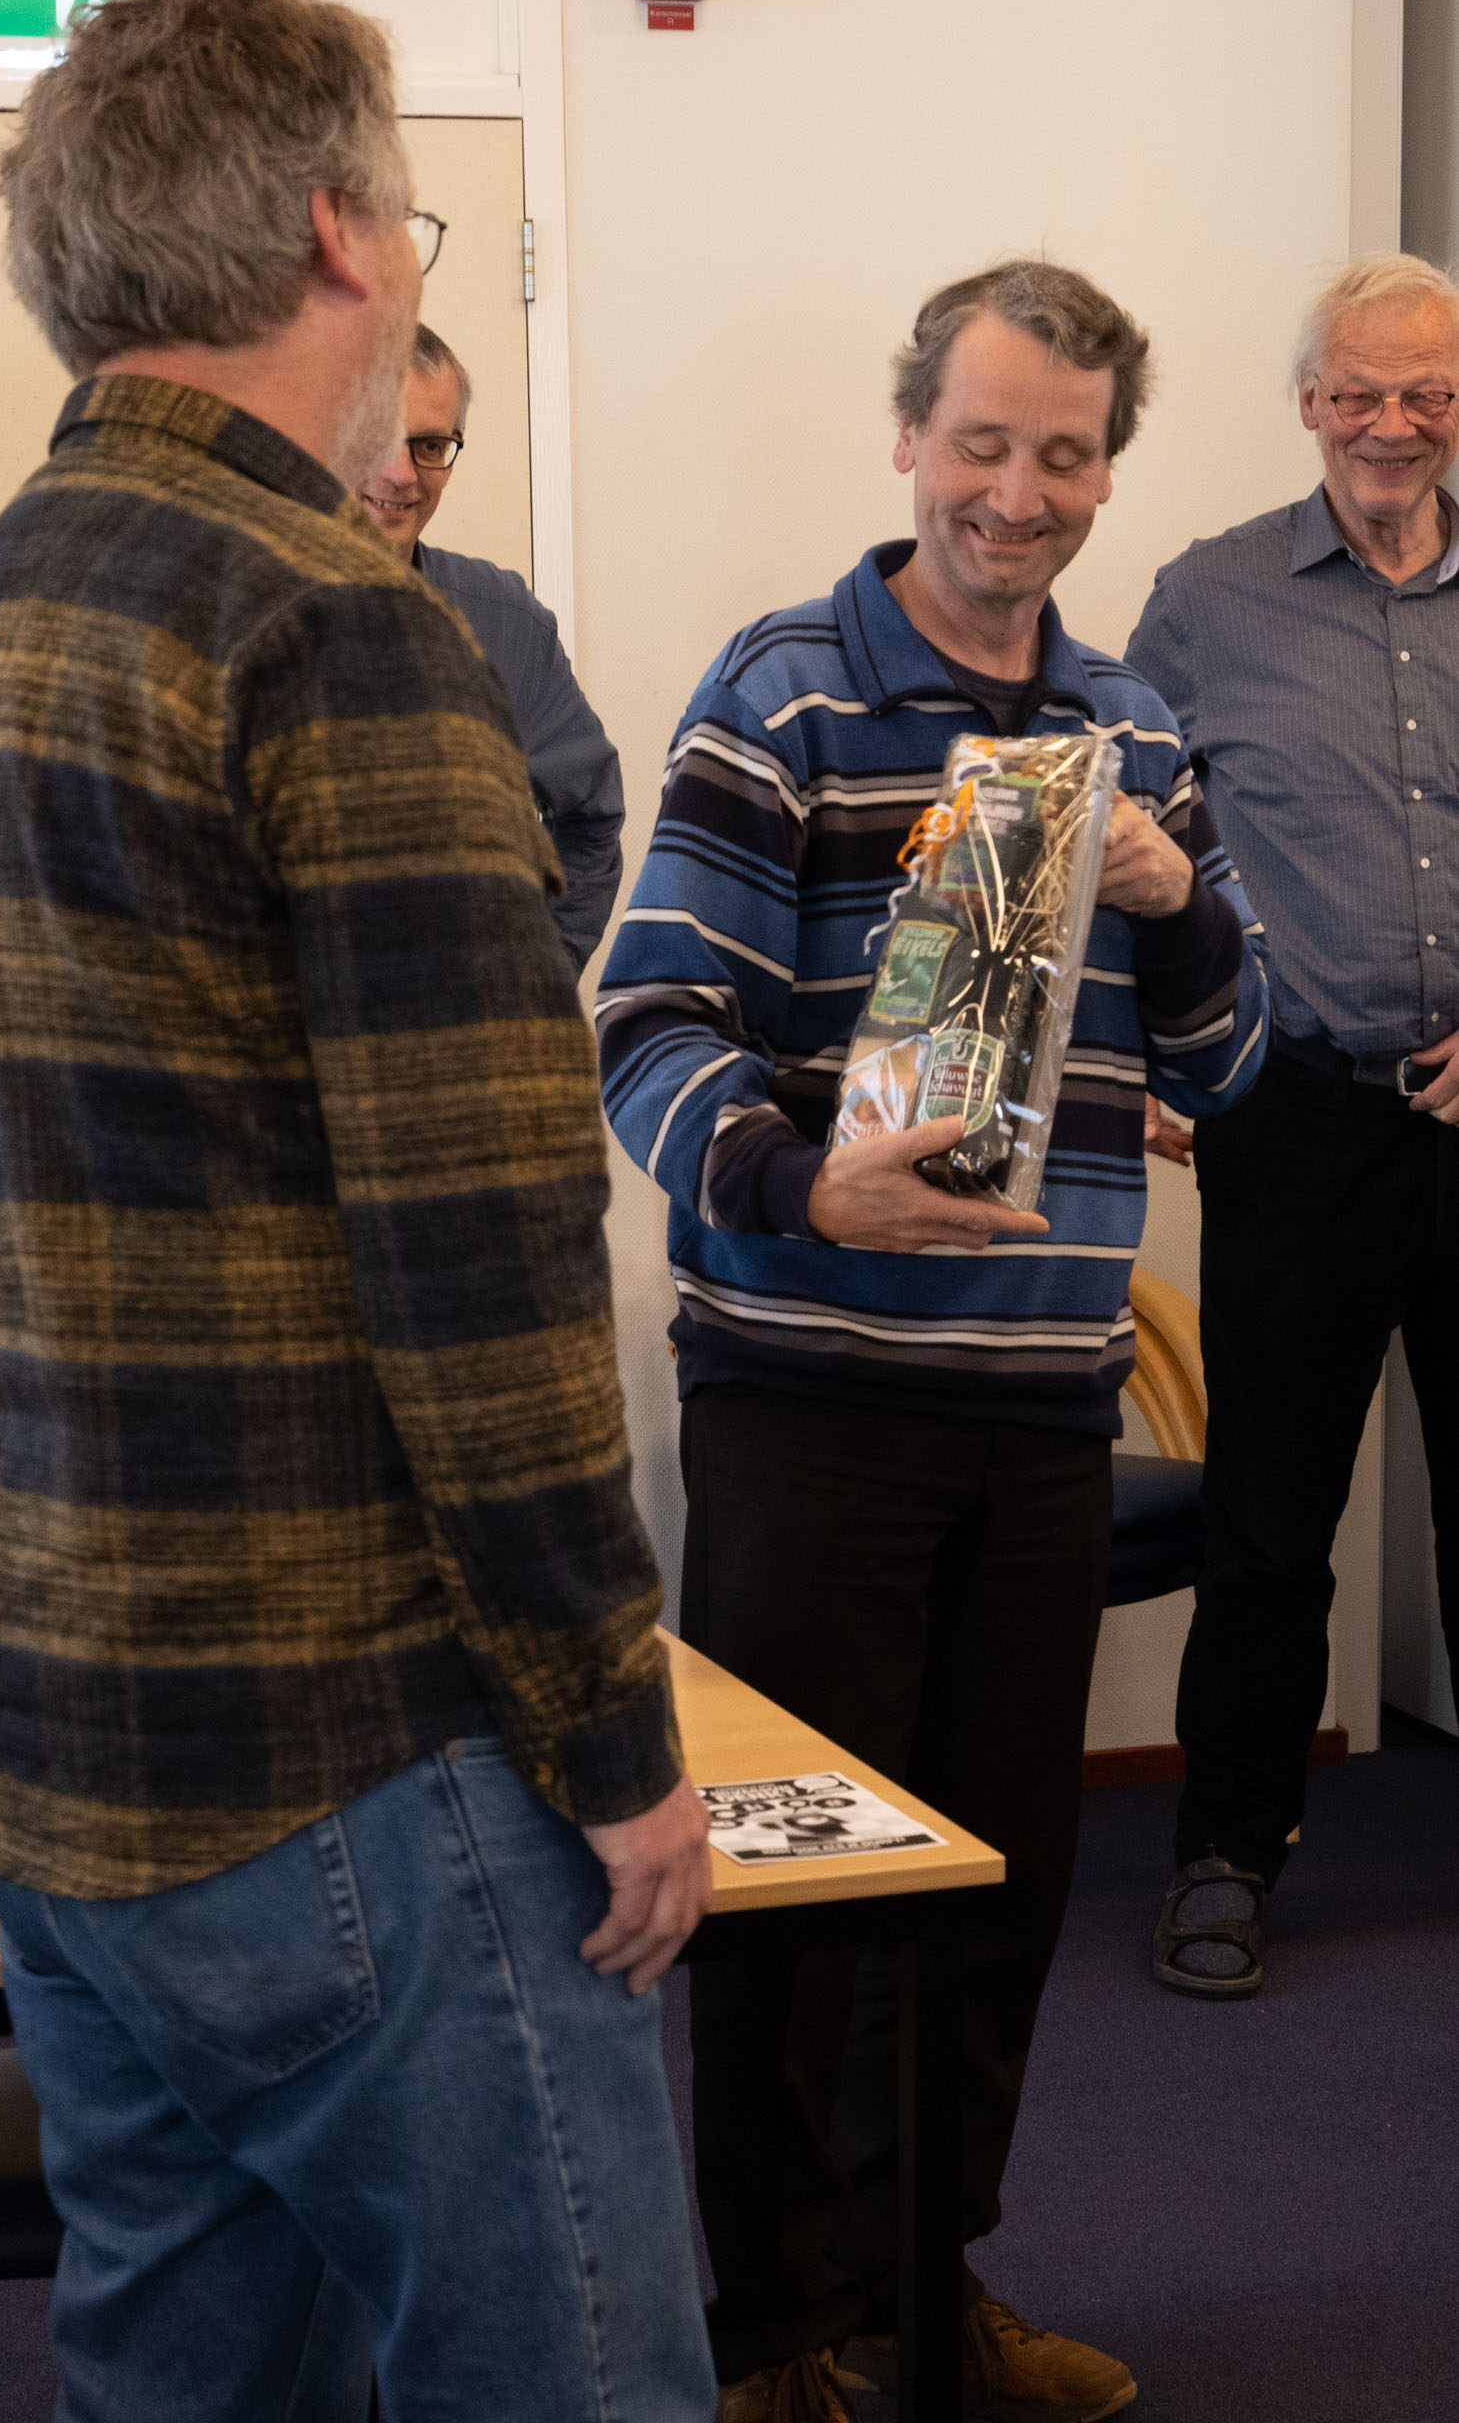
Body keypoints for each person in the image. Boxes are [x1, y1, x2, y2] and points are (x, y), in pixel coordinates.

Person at [0, 0, 715, 2423]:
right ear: (340, 230)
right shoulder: (339, 625)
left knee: (188, 2381)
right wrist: (617, 1739)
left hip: (45, 1727)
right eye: (411, 224)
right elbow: (483, 1271)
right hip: (341, 1747)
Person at [598, 258, 1270, 2423]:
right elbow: (647, 1025)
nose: (1015, 492)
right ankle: (774, 2339)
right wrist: (801, 1182)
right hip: (809, 1399)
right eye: (979, 443)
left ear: (1104, 473)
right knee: (795, 1899)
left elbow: (1232, 1060)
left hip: (1036, 1408)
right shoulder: (782, 690)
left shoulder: (1131, 726)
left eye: (1061, 455)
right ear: (909, 437)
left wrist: (1175, 901)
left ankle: (920, 2291)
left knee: (996, 1890)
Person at [1126, 252, 1459, 2000]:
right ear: (1307, 402)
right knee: (1266, 1522)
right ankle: (1227, 1853)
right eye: (1358, 392)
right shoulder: (1206, 599)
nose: (1389, 424)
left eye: (1425, 393)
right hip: (1295, 1123)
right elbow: (1115, 830)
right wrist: (1141, 1050)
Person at [358, 323, 625, 971]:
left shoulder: (505, 623)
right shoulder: (223, 611)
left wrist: (534, 980)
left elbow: (590, 820)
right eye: (376, 438)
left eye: (429, 446)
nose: (401, 474)